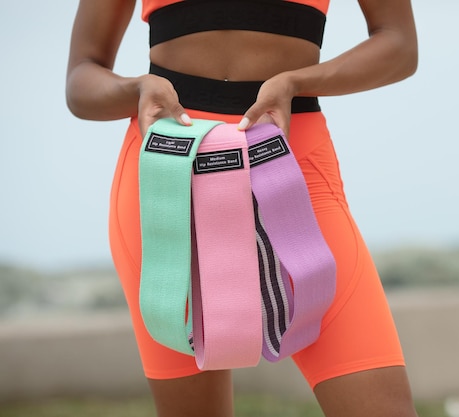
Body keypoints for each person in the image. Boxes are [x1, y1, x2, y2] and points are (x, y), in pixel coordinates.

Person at [66, 0, 419, 416]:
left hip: (293, 161)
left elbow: (399, 44)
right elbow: (81, 77)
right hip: (166, 177)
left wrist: (296, 81)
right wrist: (135, 88)